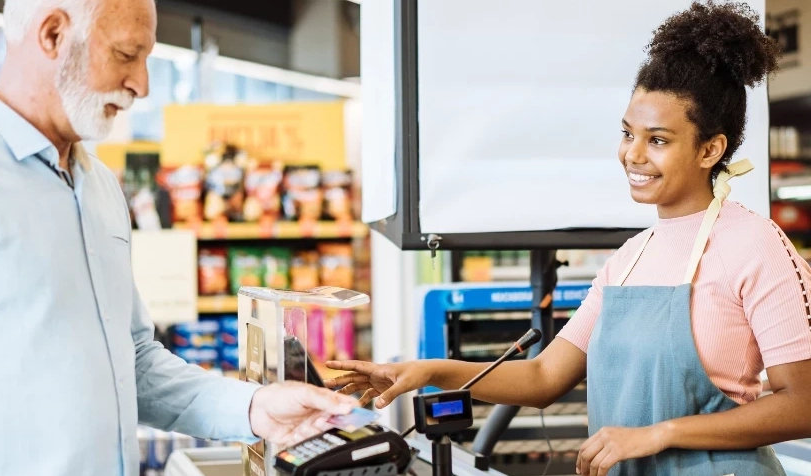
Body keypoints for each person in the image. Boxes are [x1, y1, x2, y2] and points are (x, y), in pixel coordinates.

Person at [326, 2, 811, 475]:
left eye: (658, 140)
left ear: (711, 149)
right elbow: (544, 376)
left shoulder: (755, 245)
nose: (632, 154)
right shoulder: (630, 257)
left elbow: (802, 405)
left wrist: (660, 432)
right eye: (628, 133)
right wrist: (428, 371)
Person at [0, 0, 357, 475]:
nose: (141, 85)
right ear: (52, 35)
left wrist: (254, 407)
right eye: (127, 55)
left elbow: (136, 363)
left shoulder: (101, 186)